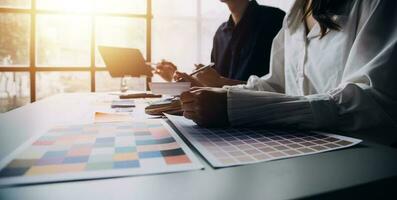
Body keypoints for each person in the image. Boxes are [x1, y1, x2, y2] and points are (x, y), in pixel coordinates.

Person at [180, 0, 397, 132]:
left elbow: (373, 104)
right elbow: (277, 84)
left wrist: (234, 106)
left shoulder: (376, 4)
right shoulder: (295, 14)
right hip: (299, 149)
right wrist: (212, 95)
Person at [155, 0, 285, 87]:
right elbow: (216, 87)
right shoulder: (221, 33)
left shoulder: (275, 20)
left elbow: (282, 87)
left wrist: (219, 82)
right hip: (223, 118)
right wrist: (180, 78)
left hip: (261, 120)